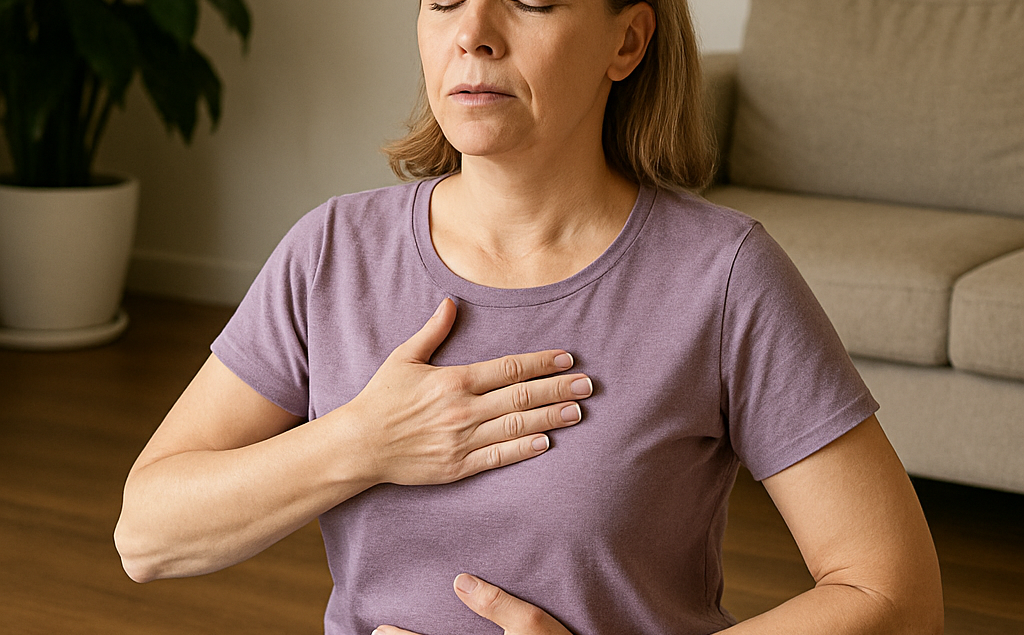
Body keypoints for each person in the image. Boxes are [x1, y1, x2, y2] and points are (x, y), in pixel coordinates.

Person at [114, 0, 945, 633]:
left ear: (628, 42)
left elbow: (895, 592)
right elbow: (147, 535)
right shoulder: (331, 248)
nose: (473, 31)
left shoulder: (722, 277)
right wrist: (363, 440)